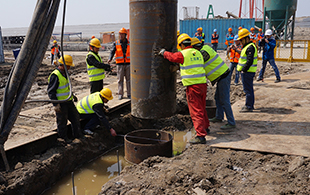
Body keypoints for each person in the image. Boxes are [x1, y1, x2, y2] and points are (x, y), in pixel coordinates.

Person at [157, 33, 209, 144]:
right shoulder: (198, 53)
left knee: (196, 111)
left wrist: (163, 52)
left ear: (181, 45)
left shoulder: (183, 54)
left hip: (192, 86)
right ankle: (206, 128)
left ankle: (200, 136)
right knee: (202, 108)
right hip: (202, 85)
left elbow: (172, 57)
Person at [191, 38, 236, 130]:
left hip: (223, 76)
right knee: (217, 98)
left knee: (224, 100)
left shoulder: (204, 52)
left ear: (195, 47)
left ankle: (231, 122)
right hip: (221, 76)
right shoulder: (205, 48)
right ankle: (219, 117)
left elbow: (197, 62)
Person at [47, 55, 83, 143]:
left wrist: (72, 95)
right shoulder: (55, 75)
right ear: (62, 65)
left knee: (75, 117)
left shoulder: (65, 73)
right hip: (61, 103)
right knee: (62, 121)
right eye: (68, 66)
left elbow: (66, 87)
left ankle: (78, 135)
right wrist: (55, 104)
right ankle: (63, 139)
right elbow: (51, 92)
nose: (70, 67)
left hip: (68, 100)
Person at [237, 28, 258, 112]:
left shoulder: (250, 47)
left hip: (247, 72)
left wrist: (244, 70)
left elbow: (249, 60)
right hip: (247, 72)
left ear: (246, 38)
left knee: (248, 89)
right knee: (248, 89)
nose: (240, 42)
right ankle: (249, 105)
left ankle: (249, 106)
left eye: (241, 40)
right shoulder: (247, 47)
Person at [108, 27, 131, 100]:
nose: (121, 36)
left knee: (129, 80)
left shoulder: (129, 43)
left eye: (122, 34)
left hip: (128, 64)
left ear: (125, 35)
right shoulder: (116, 43)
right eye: (120, 34)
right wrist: (110, 58)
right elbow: (112, 51)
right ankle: (120, 94)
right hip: (120, 64)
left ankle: (129, 94)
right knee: (120, 80)